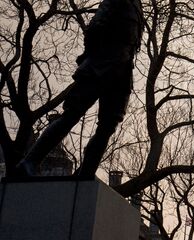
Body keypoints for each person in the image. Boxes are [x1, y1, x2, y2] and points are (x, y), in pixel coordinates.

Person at [16, 0, 143, 178]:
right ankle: (29, 162)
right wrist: (95, 57)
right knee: (71, 115)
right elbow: (94, 28)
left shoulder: (136, 5)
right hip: (99, 66)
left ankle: (86, 172)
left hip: (122, 71)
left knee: (108, 126)